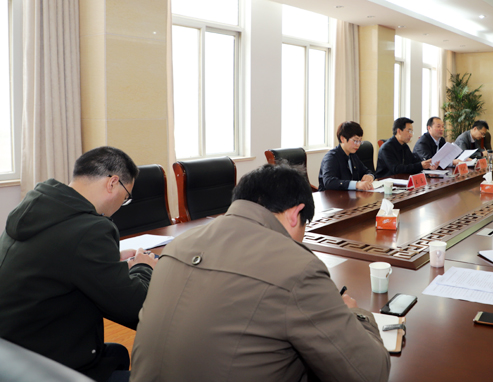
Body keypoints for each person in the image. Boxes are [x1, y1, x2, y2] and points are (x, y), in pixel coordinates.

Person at [130, 164, 391, 382]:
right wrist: (356, 315)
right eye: (304, 226)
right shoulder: (297, 267)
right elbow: (370, 374)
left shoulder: (177, 245)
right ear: (296, 214)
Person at [0, 146, 158, 382]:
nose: (121, 204)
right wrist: (143, 267)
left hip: (14, 352)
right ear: (113, 183)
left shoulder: (38, 206)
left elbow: (58, 257)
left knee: (116, 353)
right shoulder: (91, 229)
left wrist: (110, 261)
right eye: (125, 197)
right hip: (48, 366)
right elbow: (135, 309)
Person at [318, 121, 375, 191]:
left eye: (360, 141)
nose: (358, 145)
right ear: (342, 139)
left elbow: (366, 170)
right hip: (331, 196)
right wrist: (356, 184)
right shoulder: (331, 157)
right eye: (355, 141)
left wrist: (370, 176)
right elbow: (329, 182)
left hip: (349, 195)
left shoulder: (353, 155)